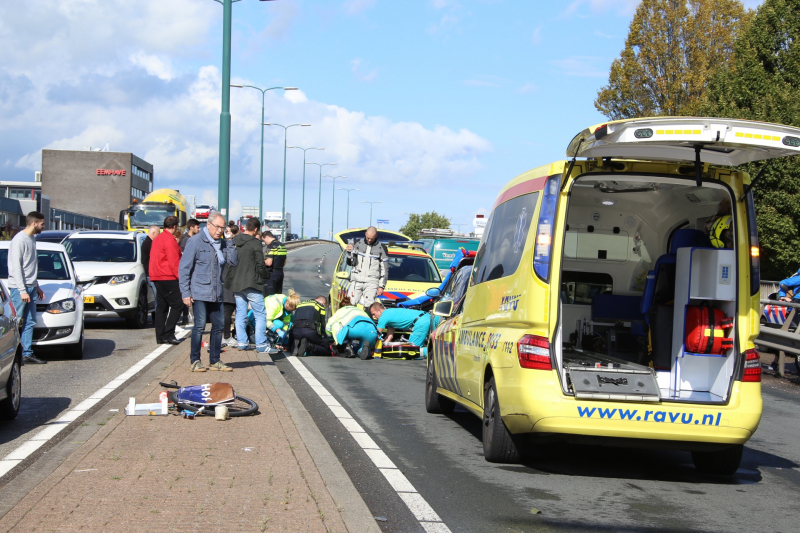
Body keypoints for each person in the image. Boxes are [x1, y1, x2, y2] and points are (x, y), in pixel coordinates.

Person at [179, 211, 238, 372]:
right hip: (199, 291)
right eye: (217, 227)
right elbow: (184, 268)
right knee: (199, 326)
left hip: (217, 291)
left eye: (223, 228)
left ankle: (215, 360)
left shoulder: (223, 243)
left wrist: (230, 241)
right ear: (209, 225)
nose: (220, 231)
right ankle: (195, 361)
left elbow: (233, 261)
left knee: (218, 326)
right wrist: (185, 293)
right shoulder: (196, 241)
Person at [7, 211, 46, 364]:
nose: (43, 226)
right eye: (42, 224)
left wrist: (36, 285)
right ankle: (10, 354)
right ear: (34, 223)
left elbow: (30, 266)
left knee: (30, 321)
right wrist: (22, 290)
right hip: (19, 289)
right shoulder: (19, 240)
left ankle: (27, 353)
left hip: (30, 286)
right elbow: (16, 267)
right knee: (14, 322)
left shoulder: (32, 239)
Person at [226, 217, 270, 353]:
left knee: (240, 313)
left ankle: (242, 342)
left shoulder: (235, 241)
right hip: (252, 283)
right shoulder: (255, 244)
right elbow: (260, 264)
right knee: (260, 314)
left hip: (237, 283)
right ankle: (261, 344)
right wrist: (265, 275)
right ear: (256, 229)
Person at [150, 216, 184, 345]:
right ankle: (169, 333)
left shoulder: (157, 239)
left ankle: (160, 335)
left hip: (157, 275)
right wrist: (181, 278)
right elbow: (174, 261)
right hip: (167, 276)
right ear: (175, 226)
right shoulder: (170, 240)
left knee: (162, 307)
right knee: (177, 304)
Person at [345, 226, 388, 308]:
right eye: (368, 238)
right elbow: (351, 263)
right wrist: (349, 253)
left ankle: (368, 320)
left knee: (370, 306)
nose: (369, 240)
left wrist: (381, 286)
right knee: (349, 304)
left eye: (371, 238)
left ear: (376, 236)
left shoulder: (382, 247)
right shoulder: (357, 243)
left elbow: (385, 269)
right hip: (356, 280)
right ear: (365, 234)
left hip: (371, 282)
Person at [178, 219, 201, 326]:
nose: (199, 229)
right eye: (197, 227)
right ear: (191, 227)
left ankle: (186, 316)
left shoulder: (193, 239)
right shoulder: (185, 240)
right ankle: (184, 316)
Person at [263, 231, 287, 296]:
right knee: (278, 296)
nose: (265, 242)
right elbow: (284, 263)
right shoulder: (282, 246)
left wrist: (261, 261)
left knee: (269, 297)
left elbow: (269, 263)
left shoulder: (270, 246)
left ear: (267, 237)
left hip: (272, 274)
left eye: (264, 240)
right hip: (280, 273)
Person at [141, 225, 160, 301]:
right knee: (157, 298)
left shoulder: (147, 242)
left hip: (150, 273)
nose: (159, 236)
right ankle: (157, 313)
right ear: (153, 233)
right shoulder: (149, 244)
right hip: (151, 274)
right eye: (158, 234)